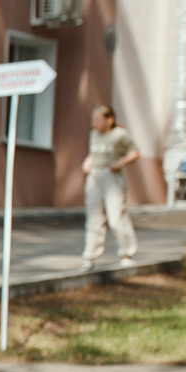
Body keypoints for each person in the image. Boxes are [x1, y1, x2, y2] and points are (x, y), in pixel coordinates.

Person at [82, 104, 141, 271]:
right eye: (93, 119)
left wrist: (120, 163)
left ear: (110, 120)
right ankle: (89, 257)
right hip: (95, 177)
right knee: (93, 218)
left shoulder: (119, 135)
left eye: (98, 119)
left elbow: (134, 152)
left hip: (112, 177)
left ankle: (127, 254)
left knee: (116, 218)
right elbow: (94, 153)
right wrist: (88, 163)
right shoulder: (93, 134)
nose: (94, 123)